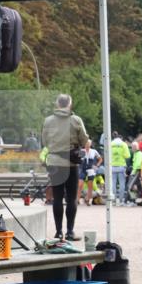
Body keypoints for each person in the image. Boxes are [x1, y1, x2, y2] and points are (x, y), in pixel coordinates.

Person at [40, 94, 88, 240]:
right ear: (70, 104)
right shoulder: (75, 120)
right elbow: (84, 139)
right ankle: (70, 231)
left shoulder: (48, 121)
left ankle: (58, 231)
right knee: (72, 198)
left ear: (57, 104)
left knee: (57, 197)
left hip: (54, 162)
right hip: (70, 163)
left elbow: (44, 141)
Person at [109, 132, 131, 206]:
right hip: (121, 166)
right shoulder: (123, 144)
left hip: (112, 166)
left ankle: (114, 200)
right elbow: (127, 155)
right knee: (122, 183)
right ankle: (121, 200)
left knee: (113, 183)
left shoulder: (110, 144)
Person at [79, 139, 102, 206]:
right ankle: (78, 200)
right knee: (80, 184)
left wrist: (97, 165)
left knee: (90, 186)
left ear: (90, 144)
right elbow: (79, 161)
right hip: (83, 169)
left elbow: (100, 159)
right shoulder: (82, 151)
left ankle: (88, 200)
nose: (87, 145)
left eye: (88, 144)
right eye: (86, 143)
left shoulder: (93, 151)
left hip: (90, 169)